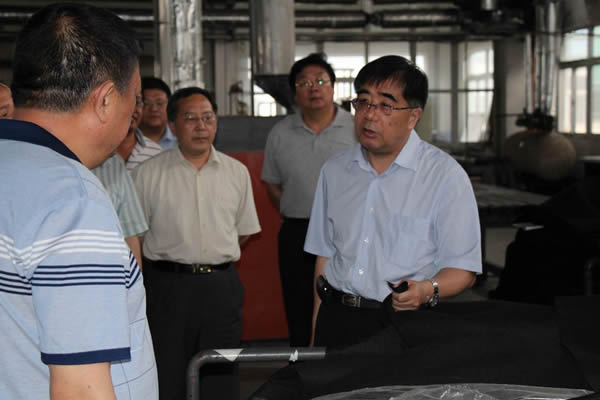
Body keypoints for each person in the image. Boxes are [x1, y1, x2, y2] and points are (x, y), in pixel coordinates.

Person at [0, 3, 157, 400]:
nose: (133, 113)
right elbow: (81, 390)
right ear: (105, 100)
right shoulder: (72, 199)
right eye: (134, 98)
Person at [305, 55, 482, 349]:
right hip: (337, 318)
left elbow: (463, 270)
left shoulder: (444, 176)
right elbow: (324, 257)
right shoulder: (334, 171)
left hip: (403, 326)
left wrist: (426, 289)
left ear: (413, 117)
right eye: (363, 102)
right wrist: (315, 333)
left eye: (385, 106)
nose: (370, 115)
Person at [133, 87, 261, 400]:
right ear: (173, 125)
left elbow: (242, 233)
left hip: (220, 287)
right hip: (167, 287)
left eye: (208, 118)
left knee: (220, 373)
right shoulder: (147, 173)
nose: (201, 126)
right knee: (168, 373)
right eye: (190, 118)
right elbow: (137, 235)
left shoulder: (236, 172)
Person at [261, 53, 356, 347]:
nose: (313, 88)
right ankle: (301, 363)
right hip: (297, 232)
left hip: (348, 232)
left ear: (333, 87)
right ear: (294, 93)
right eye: (304, 83)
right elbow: (273, 185)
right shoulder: (280, 133)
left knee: (347, 301)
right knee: (298, 303)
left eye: (320, 81)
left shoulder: (356, 128)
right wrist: (299, 210)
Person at [92, 150, 148, 268]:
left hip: (110, 270)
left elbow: (130, 233)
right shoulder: (52, 162)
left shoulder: (114, 164)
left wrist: (137, 278)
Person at [117, 93, 163, 171]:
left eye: (137, 103)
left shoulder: (157, 153)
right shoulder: (98, 149)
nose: (132, 110)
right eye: (125, 102)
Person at [138, 76, 177, 149]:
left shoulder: (180, 140)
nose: (154, 109)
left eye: (159, 103)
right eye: (147, 103)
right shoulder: (125, 141)